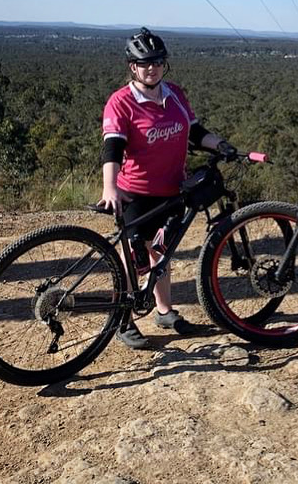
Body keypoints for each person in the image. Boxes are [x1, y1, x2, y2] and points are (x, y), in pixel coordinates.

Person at [98, 27, 237, 349]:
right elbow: (113, 148)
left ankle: (164, 311)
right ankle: (123, 320)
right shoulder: (121, 102)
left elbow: (194, 131)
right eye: (144, 63)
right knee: (135, 259)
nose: (152, 68)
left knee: (161, 253)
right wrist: (109, 188)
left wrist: (221, 144)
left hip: (172, 189)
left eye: (157, 62)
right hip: (135, 192)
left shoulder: (174, 93)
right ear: (132, 66)